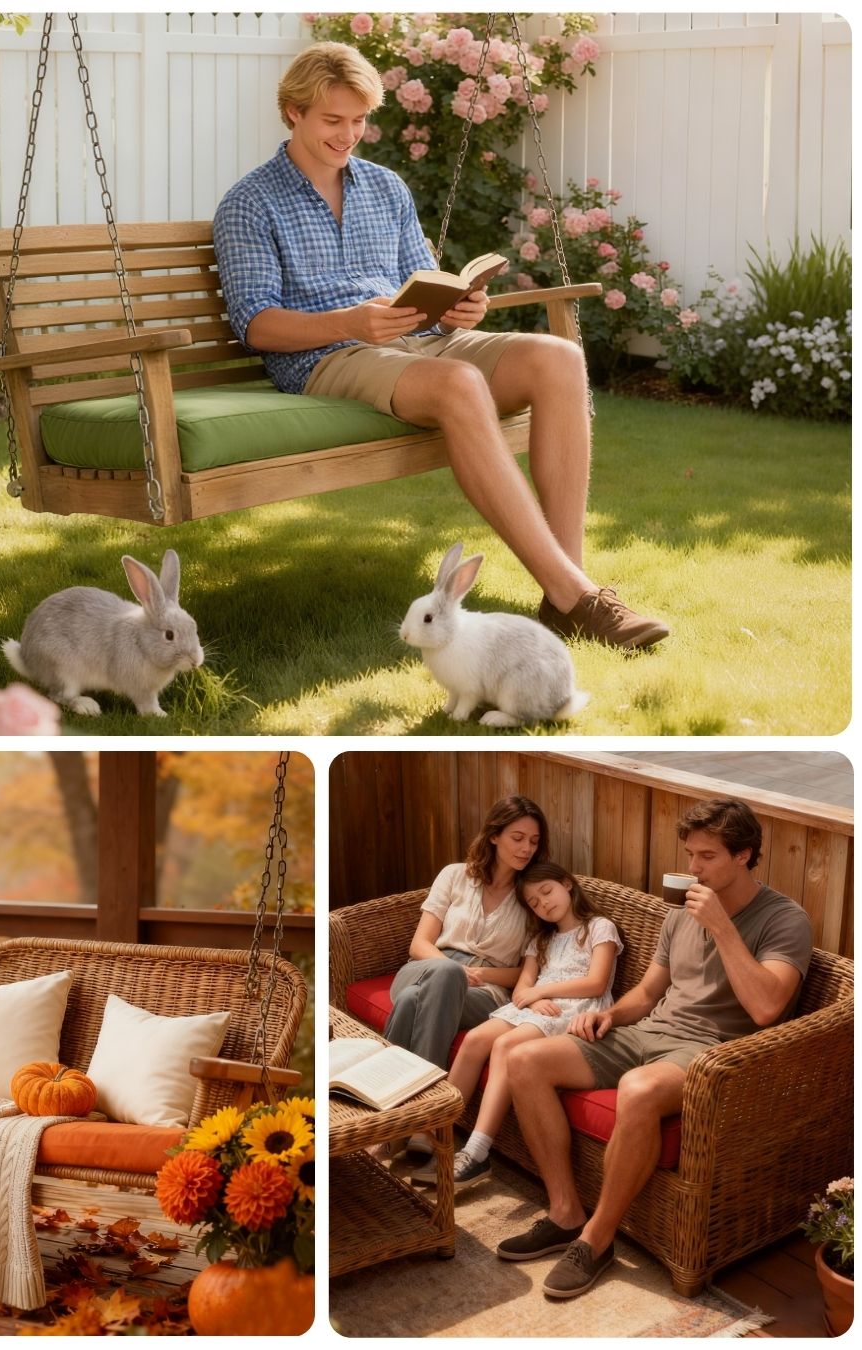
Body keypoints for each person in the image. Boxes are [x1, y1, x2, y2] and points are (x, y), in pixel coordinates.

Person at [212, 41, 669, 650]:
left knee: (557, 357)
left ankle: (568, 590)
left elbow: (419, 285)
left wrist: (461, 308)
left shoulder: (385, 188)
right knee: (460, 384)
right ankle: (579, 598)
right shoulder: (250, 202)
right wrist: (350, 322)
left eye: (359, 120)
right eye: (332, 121)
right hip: (326, 356)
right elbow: (257, 323)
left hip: (416, 343)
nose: (349, 135)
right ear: (292, 112)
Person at [497, 798, 814, 1299]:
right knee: (524, 1059)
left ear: (745, 855)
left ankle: (596, 1242)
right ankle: (564, 1212)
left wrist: (721, 926)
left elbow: (766, 1008)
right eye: (691, 855)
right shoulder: (680, 913)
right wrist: (609, 1014)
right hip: (647, 1032)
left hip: (714, 1052)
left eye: (707, 857)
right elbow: (647, 994)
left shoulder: (784, 920)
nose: (693, 868)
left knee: (638, 1090)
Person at [412, 862, 622, 1189]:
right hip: (537, 1006)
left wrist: (542, 992)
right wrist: (533, 998)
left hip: (575, 1008)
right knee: (476, 1040)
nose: (544, 904)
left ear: (567, 883)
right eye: (534, 903)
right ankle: (432, 1135)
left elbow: (596, 982)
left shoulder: (598, 927)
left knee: (505, 1045)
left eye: (547, 892)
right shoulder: (540, 939)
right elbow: (523, 988)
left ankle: (477, 1153)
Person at [380, 794, 548, 1159]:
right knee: (438, 978)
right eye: (517, 838)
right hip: (425, 968)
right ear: (494, 836)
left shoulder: (532, 896)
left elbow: (527, 969)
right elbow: (419, 944)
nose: (526, 849)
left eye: (533, 842)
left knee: (415, 1002)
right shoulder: (455, 875)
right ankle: (426, 1119)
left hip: (486, 991)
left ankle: (388, 1116)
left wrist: (477, 973)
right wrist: (453, 969)